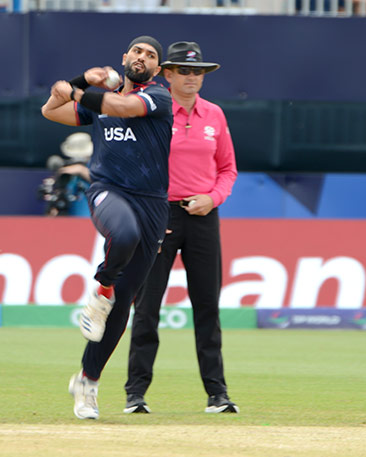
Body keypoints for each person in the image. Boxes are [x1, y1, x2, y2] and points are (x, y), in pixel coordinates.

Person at [41, 36, 172, 420]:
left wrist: (80, 91)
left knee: (122, 309)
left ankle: (87, 380)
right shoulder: (102, 101)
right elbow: (51, 109)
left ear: (157, 69)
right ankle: (101, 289)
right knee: (124, 235)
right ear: (124, 57)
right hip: (108, 192)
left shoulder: (158, 98)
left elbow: (121, 106)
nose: (142, 58)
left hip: (152, 206)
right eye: (137, 51)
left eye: (150, 56)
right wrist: (80, 79)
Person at [123, 41, 239, 415]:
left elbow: (228, 169)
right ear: (167, 74)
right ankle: (135, 393)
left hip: (203, 217)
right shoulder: (153, 110)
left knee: (207, 307)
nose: (192, 78)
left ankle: (217, 395)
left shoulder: (215, 115)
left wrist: (213, 198)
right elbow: (136, 164)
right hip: (159, 216)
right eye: (185, 71)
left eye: (198, 72)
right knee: (147, 308)